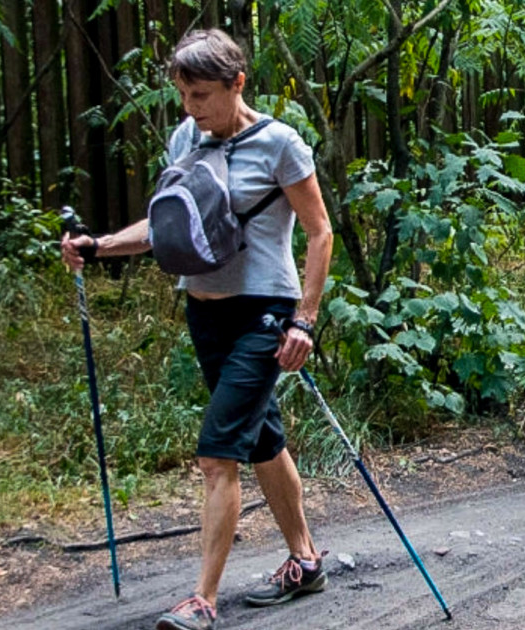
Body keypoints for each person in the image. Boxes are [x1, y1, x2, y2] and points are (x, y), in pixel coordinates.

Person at [61, 30, 334, 630]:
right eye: (183, 95)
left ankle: (202, 600)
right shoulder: (187, 137)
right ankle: (306, 560)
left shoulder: (280, 144)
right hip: (204, 310)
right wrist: (99, 245)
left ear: (238, 84)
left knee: (217, 454)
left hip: (264, 311)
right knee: (260, 440)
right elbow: (169, 225)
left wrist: (304, 321)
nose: (190, 107)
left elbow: (320, 233)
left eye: (202, 94)